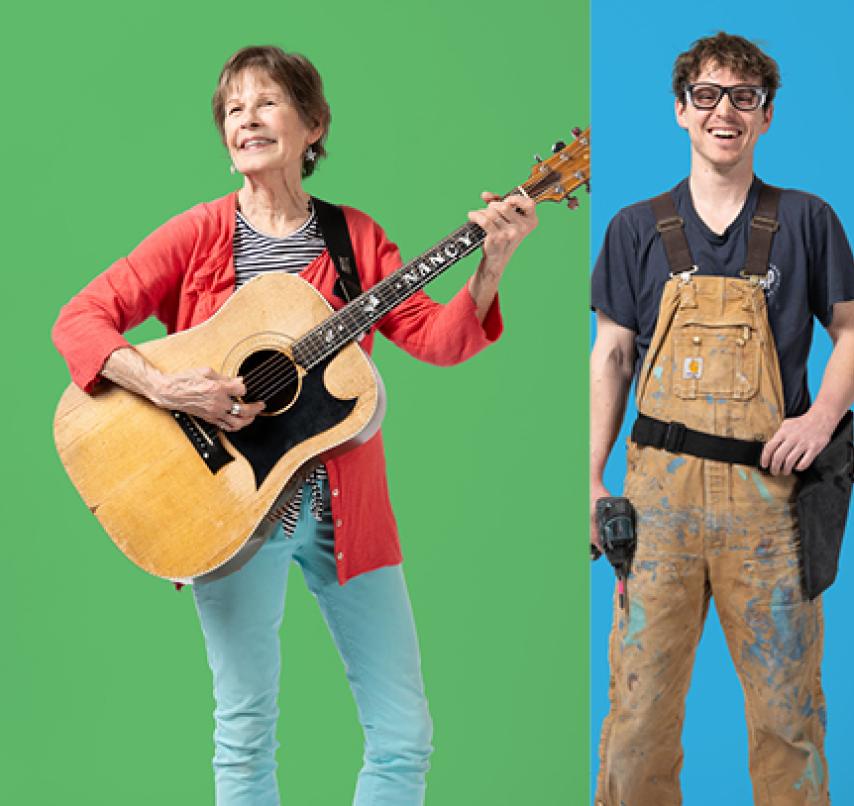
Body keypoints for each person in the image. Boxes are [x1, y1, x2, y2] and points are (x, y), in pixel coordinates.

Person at [52, 45, 536, 806]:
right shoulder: (198, 233)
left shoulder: (356, 239)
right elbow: (80, 321)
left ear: (313, 124)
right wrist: (168, 386)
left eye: (267, 101)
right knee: (244, 732)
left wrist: (492, 264)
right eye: (233, 108)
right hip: (227, 508)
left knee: (404, 734)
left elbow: (438, 342)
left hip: (349, 514)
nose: (246, 117)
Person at [590, 32, 854, 805]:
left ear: (766, 116)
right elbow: (611, 358)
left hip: (770, 503)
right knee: (637, 719)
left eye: (744, 97)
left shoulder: (806, 220)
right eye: (707, 95)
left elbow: (851, 329)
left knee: (786, 718)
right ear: (681, 111)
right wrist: (590, 479)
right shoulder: (636, 229)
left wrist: (823, 416)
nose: (724, 112)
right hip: (656, 500)